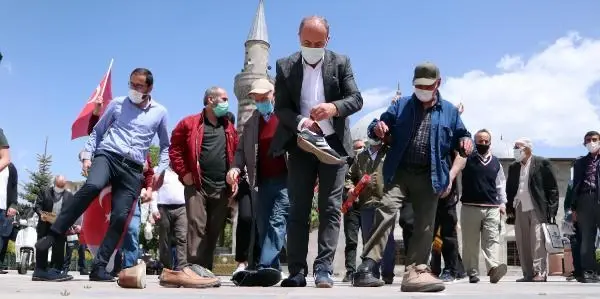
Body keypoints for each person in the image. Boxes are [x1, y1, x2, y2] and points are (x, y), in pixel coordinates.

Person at [35, 68, 170, 282]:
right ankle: (52, 236)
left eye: (139, 86)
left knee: (119, 218)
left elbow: (165, 147)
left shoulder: (160, 112)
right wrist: (88, 156)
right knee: (92, 186)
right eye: (131, 84)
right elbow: (98, 131)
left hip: (133, 168)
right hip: (108, 156)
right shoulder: (117, 104)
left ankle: (99, 268)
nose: (134, 89)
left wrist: (160, 171)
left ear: (149, 88)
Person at [352, 62, 473, 292]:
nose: (422, 90)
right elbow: (379, 124)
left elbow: (462, 136)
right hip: (400, 172)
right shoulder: (402, 105)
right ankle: (367, 266)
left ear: (438, 83)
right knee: (385, 210)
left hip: (430, 176)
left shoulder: (449, 111)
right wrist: (378, 128)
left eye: (427, 86)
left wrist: (466, 142)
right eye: (417, 85)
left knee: (425, 224)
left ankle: (416, 271)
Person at [270, 15, 363, 288]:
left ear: (328, 41)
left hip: (334, 145)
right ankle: (297, 271)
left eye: (318, 42)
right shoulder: (284, 66)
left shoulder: (341, 62)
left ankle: (323, 269)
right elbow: (281, 108)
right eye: (307, 42)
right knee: (297, 207)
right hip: (301, 143)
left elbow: (356, 99)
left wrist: (333, 108)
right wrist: (302, 122)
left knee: (331, 208)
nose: (312, 46)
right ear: (299, 38)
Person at [166, 86, 237, 288]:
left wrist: (234, 177)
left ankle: (205, 271)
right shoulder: (189, 123)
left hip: (222, 187)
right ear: (209, 100)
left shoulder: (229, 126)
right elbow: (175, 149)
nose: (226, 103)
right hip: (197, 185)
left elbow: (234, 152)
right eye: (223, 98)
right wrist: (184, 173)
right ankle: (193, 271)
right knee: (196, 227)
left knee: (214, 230)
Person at [227, 78, 290, 286]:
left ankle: (264, 266)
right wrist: (236, 167)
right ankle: (273, 269)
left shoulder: (285, 116)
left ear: (274, 94)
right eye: (258, 98)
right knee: (263, 224)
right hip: (261, 181)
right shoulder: (251, 122)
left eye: (265, 97)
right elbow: (240, 150)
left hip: (285, 180)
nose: (262, 101)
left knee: (277, 221)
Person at [87, 100, 155, 275]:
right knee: (110, 227)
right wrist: (96, 113)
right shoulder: (111, 142)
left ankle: (129, 268)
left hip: (131, 196)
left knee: (131, 230)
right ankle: (109, 265)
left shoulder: (144, 152)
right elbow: (94, 132)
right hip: (108, 195)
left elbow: (149, 174)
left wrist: (148, 189)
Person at [506, 137, 559, 282]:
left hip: (538, 207)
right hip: (519, 206)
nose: (516, 150)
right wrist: (509, 207)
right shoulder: (513, 167)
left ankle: (539, 272)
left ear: (528, 149)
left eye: (519, 147)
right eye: (515, 147)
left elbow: (552, 188)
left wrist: (552, 211)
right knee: (522, 241)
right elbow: (510, 189)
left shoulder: (542, 163)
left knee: (537, 241)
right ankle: (528, 274)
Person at [460, 129, 508, 284]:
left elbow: (500, 184)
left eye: (486, 141)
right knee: (470, 242)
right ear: (475, 142)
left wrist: (502, 203)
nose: (483, 143)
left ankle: (493, 269)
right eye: (480, 141)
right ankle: (473, 272)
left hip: (492, 207)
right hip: (469, 206)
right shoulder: (466, 159)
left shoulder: (496, 162)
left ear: (490, 142)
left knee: (492, 240)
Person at [346, 138, 395, 284]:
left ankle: (388, 274)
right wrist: (350, 188)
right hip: (366, 204)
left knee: (388, 241)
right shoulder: (360, 157)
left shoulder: (388, 153)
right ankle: (372, 274)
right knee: (368, 240)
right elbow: (349, 176)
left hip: (385, 203)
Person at [570, 131, 600, 283]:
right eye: (588, 140)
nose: (591, 142)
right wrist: (574, 208)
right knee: (587, 238)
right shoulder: (579, 162)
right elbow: (575, 185)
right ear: (584, 144)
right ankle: (589, 271)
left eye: (594, 139)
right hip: (584, 199)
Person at [33, 176, 74, 281]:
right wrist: (40, 213)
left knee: (59, 249)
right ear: (54, 183)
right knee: (42, 247)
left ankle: (55, 271)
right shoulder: (45, 191)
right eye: (58, 185)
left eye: (62, 186)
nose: (60, 188)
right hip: (45, 224)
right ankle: (39, 271)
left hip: (59, 226)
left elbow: (71, 211)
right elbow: (37, 205)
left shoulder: (69, 196)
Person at [152, 167, 188, 271]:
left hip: (182, 207)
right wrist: (154, 209)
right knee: (164, 239)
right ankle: (166, 268)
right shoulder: (158, 170)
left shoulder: (184, 168)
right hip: (163, 208)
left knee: (182, 237)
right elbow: (154, 190)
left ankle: (182, 268)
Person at [341, 139, 365, 282]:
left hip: (367, 205)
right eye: (357, 148)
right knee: (351, 240)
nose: (359, 150)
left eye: (362, 147)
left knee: (368, 239)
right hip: (351, 206)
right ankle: (350, 270)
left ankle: (367, 269)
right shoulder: (346, 163)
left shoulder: (368, 160)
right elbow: (343, 181)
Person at [0, 162, 17, 274]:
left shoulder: (10, 167)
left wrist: (13, 205)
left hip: (4, 207)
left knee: (3, 236)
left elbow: (14, 187)